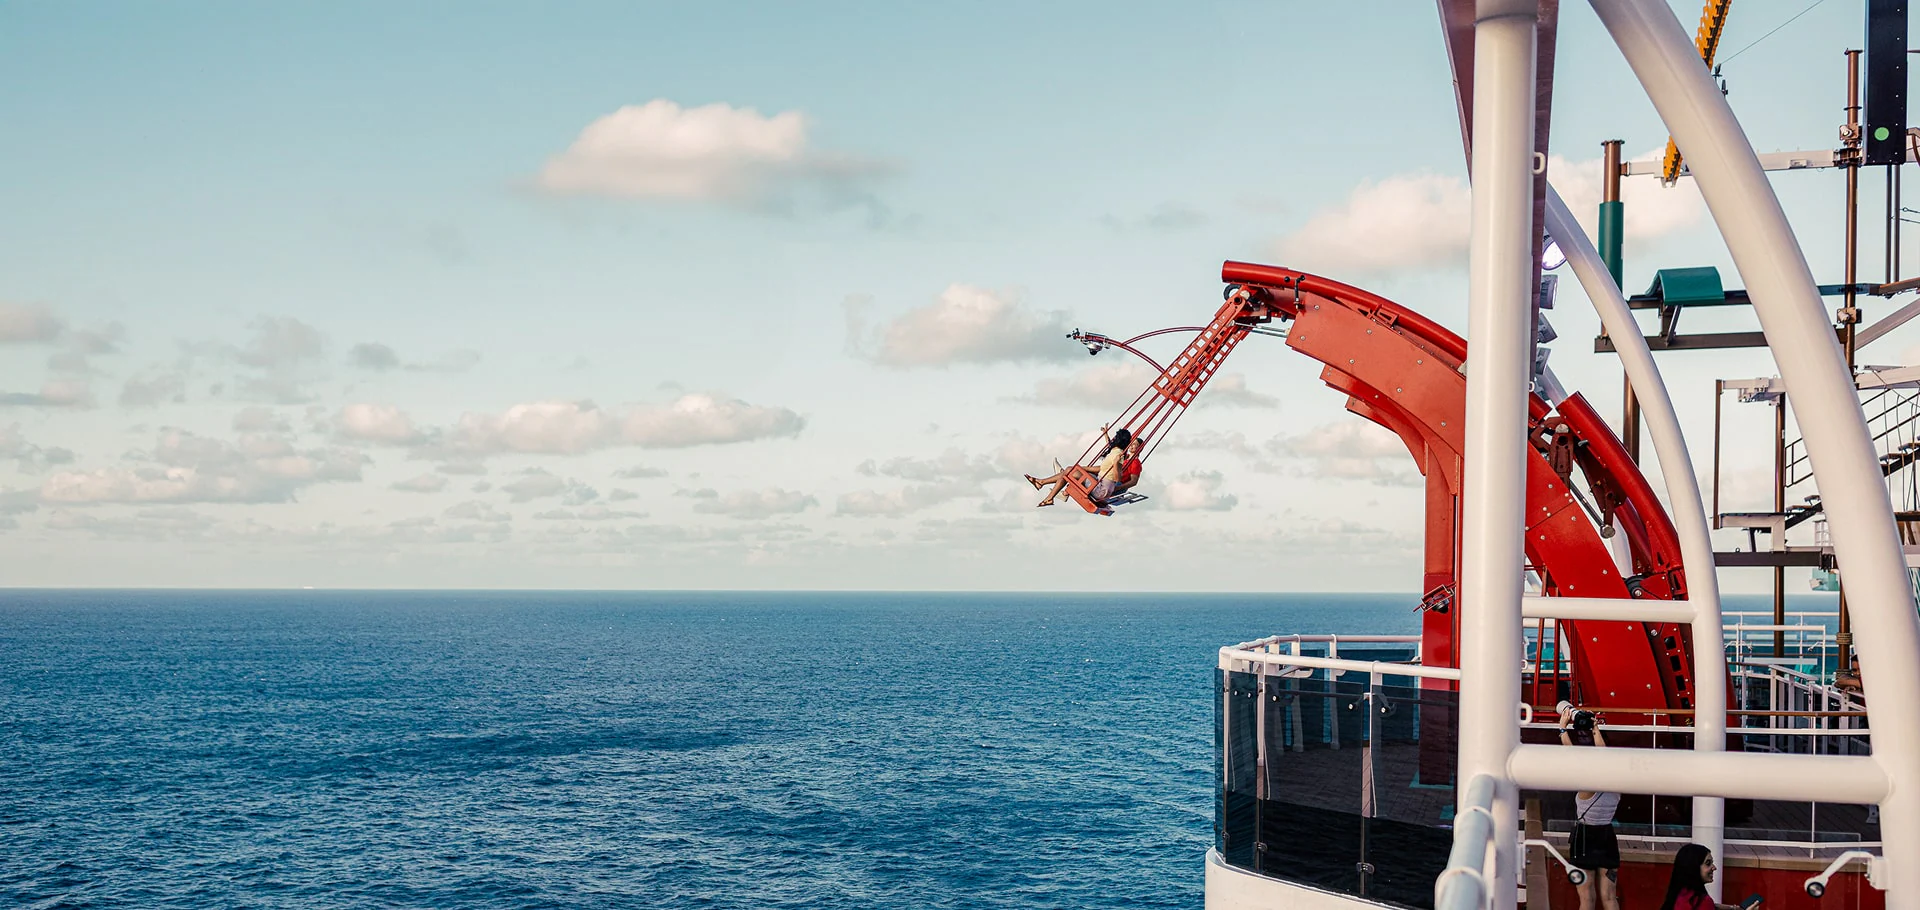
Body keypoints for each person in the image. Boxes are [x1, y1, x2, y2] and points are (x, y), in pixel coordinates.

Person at [1559, 702, 1620, 910]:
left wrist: (1562, 729)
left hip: (1584, 838)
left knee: (1586, 898)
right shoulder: (1618, 783)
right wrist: (1595, 728)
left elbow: (1572, 757)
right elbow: (1604, 758)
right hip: (1607, 836)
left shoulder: (1588, 785)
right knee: (1610, 897)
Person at [1026, 427, 1130, 507]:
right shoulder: (1114, 452)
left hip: (1101, 491)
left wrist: (1116, 464)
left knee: (1069, 471)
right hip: (1099, 484)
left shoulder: (1118, 455)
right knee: (1069, 470)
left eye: (1116, 437)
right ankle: (1043, 486)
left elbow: (1117, 478)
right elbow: (1101, 468)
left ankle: (1045, 487)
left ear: (1118, 439)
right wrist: (1082, 468)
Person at [1658, 843, 1740, 910]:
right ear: (1693, 867)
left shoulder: (1679, 894)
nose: (1714, 867)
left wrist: (1733, 908)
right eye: (1708, 863)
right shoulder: (1703, 901)